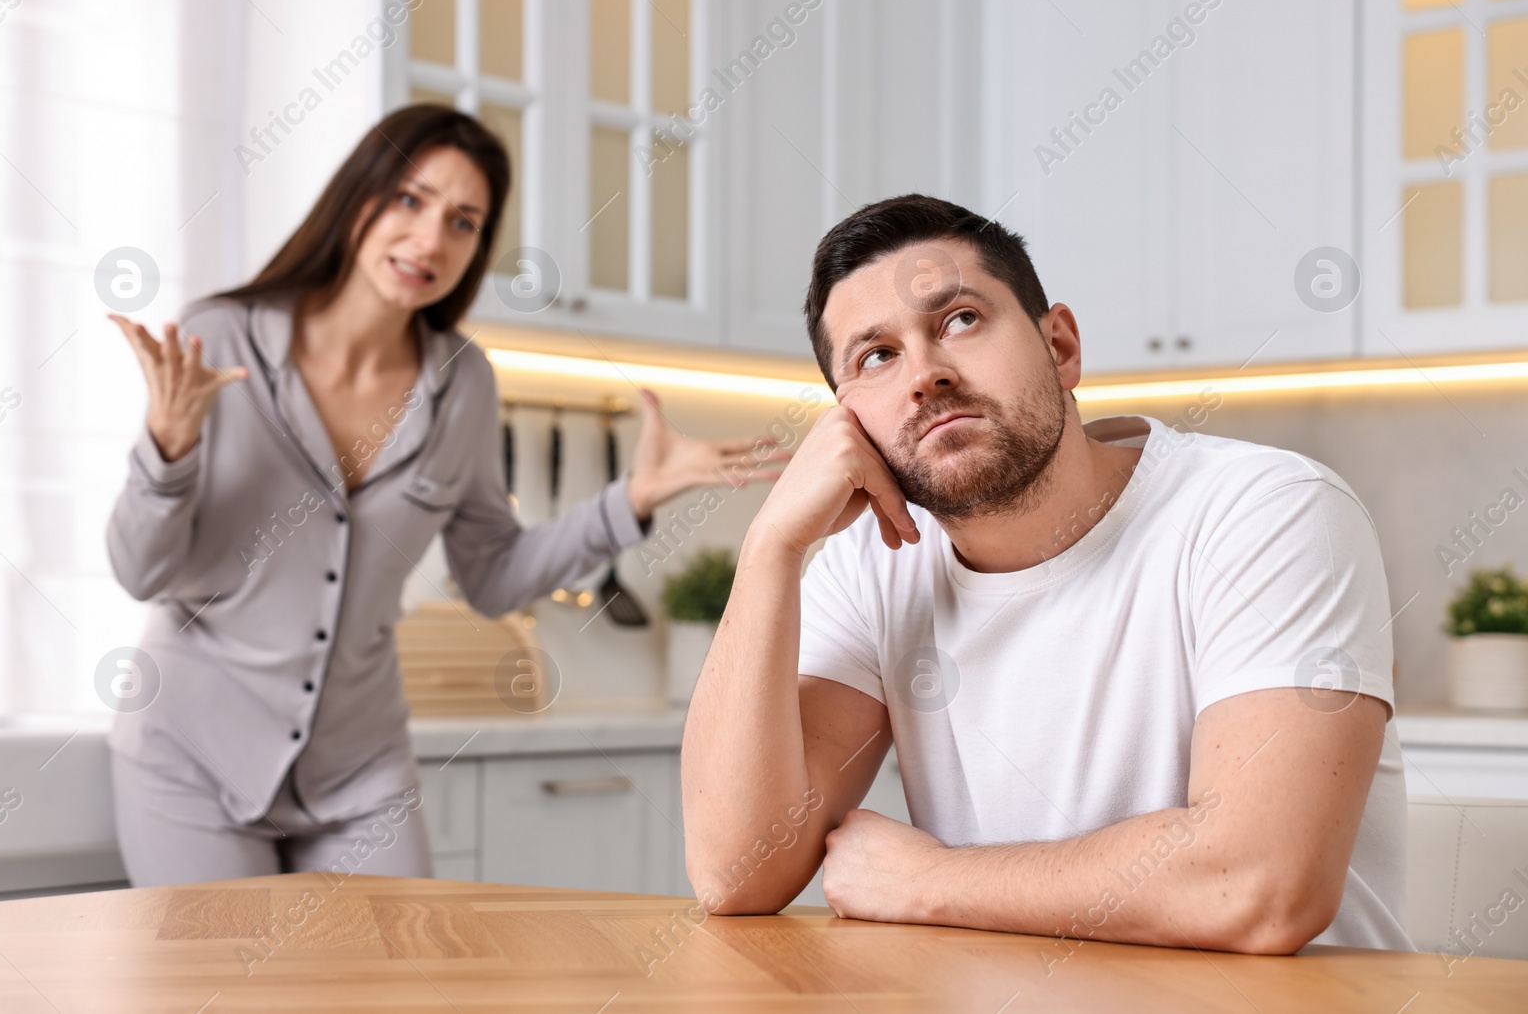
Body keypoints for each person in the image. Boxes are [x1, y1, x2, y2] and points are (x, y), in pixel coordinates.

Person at [680, 193, 1415, 955]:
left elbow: (1259, 888)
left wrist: (929, 882)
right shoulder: (874, 565)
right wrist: (771, 548)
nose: (924, 374)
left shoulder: (1266, 511)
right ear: (846, 420)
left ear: (1060, 345)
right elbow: (737, 872)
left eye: (960, 319)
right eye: (877, 357)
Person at [105, 103, 786, 886]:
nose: (431, 239)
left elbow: (492, 575)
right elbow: (139, 572)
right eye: (410, 200)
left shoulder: (461, 382)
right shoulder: (220, 339)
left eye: (464, 222)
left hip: (358, 772)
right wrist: (168, 448)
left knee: (398, 991)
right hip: (191, 758)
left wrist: (631, 496)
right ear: (357, 198)